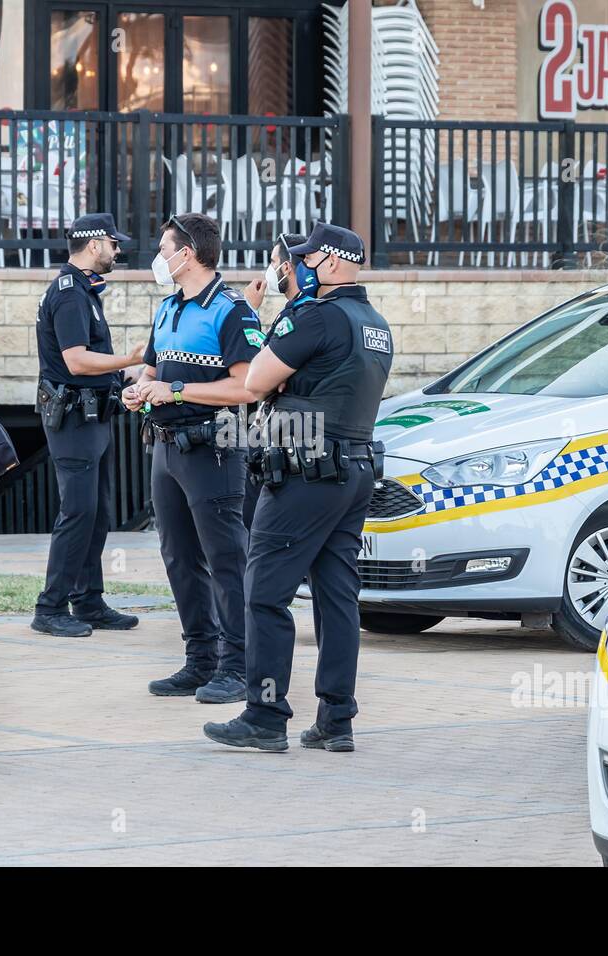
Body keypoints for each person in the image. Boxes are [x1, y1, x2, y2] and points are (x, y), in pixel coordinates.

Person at [203, 223, 392, 753]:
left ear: (331, 264)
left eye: (302, 260)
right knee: (337, 599)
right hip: (352, 471)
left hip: (306, 472)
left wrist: (277, 334)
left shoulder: (316, 316)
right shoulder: (374, 322)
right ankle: (336, 720)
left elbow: (254, 381)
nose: (292, 270)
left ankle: (264, 715)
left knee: (263, 594)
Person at [121, 213, 261, 704]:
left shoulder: (232, 309)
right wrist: (139, 387)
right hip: (164, 446)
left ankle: (238, 665)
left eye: (164, 249)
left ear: (188, 254)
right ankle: (199, 659)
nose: (158, 257)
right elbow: (153, 367)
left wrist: (175, 389)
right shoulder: (167, 308)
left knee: (226, 559)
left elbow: (247, 386)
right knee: (179, 558)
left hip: (213, 450)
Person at [32, 213, 145, 637]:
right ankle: (50, 607)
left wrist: (124, 379)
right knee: (77, 512)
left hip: (92, 414)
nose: (118, 252)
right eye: (114, 244)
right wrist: (129, 361)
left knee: (97, 514)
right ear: (94, 244)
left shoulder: (84, 291)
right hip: (74, 420)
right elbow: (76, 360)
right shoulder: (69, 294)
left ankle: (88, 601)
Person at [240, 232, 308, 529]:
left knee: (258, 528)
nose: (268, 270)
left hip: (286, 436)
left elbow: (259, 373)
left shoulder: (301, 313)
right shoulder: (296, 311)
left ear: (287, 267)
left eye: (272, 261)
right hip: (277, 435)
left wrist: (248, 312)